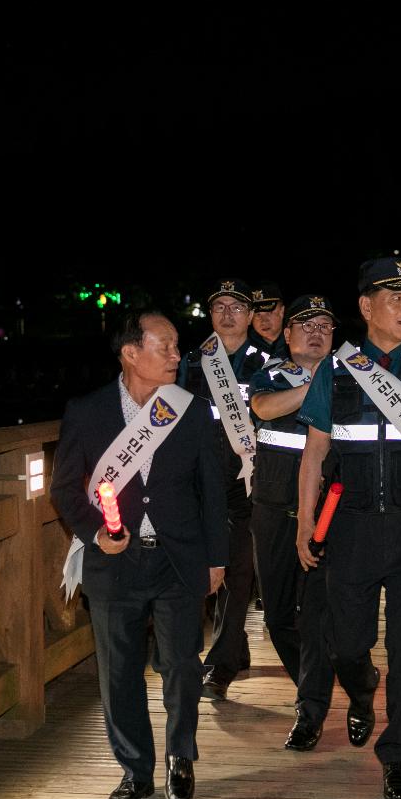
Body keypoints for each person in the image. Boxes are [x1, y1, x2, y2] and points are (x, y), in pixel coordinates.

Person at [294, 257, 401, 799]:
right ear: (367, 307)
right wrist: (305, 522)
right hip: (352, 528)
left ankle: (397, 754)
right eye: (395, 299)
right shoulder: (338, 369)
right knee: (347, 645)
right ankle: (362, 690)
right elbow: (315, 450)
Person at [51, 310, 227, 799]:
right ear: (131, 353)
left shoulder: (190, 410)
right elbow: (64, 489)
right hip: (114, 564)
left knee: (181, 666)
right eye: (166, 346)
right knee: (119, 672)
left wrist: (216, 558)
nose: (177, 355)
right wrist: (93, 535)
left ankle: (180, 757)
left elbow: (210, 490)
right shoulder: (87, 411)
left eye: (176, 347)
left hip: (177, 558)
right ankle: (134, 772)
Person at [247, 295, 338, 751]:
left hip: (327, 513)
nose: (316, 331)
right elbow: (263, 408)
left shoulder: (354, 376)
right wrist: (320, 387)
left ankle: (311, 707)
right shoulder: (270, 373)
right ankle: (315, 677)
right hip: (271, 508)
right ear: (287, 334)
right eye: (306, 324)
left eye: (324, 324)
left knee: (318, 614)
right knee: (279, 614)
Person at [177, 279, 261, 701]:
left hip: (246, 482)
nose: (227, 314)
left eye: (236, 307)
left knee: (238, 572)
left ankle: (222, 662)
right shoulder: (193, 361)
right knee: (199, 569)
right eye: (220, 307)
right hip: (197, 481)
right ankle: (194, 654)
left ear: (250, 315)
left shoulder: (268, 362)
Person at [247, 282, 291, 363]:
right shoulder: (243, 347)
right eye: (258, 314)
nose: (264, 320)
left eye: (269, 313)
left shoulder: (297, 343)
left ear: (282, 311)